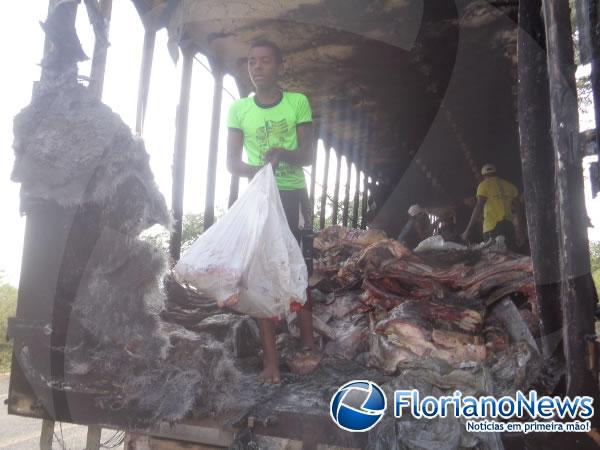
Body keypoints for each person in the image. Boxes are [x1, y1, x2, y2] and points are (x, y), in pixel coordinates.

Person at [226, 40, 318, 384]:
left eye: (265, 61)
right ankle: (271, 364)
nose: (257, 67)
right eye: (252, 61)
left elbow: (307, 155)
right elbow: (231, 163)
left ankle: (308, 345)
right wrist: (259, 171)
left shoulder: (297, 102)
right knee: (261, 275)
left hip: (292, 195)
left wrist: (284, 154)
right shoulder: (239, 110)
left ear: (281, 66)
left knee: (299, 270)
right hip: (261, 200)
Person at [461, 164, 522, 251]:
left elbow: (478, 206)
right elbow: (518, 209)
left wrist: (468, 230)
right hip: (509, 226)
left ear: (484, 176)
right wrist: (520, 229)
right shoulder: (510, 186)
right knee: (511, 256)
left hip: (492, 228)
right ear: (495, 173)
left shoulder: (483, 185)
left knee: (494, 258)